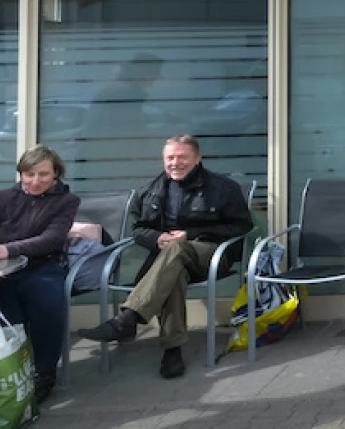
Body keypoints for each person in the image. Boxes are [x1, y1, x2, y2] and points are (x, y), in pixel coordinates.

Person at [78, 135, 252, 379]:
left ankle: (129, 317)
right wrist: (156, 239)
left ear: (197, 158)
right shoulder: (151, 190)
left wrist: (189, 234)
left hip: (210, 255)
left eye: (182, 157)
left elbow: (241, 226)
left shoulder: (223, 188)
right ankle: (172, 352)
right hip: (168, 261)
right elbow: (138, 229)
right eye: (170, 157)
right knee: (174, 273)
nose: (175, 163)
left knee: (176, 249)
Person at [0, 145, 80, 404]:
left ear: (56, 174)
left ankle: (45, 371)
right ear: (21, 173)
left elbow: (51, 239)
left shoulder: (67, 201)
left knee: (46, 299)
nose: (35, 181)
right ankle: (11, 362)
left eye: (43, 175)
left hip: (42, 265)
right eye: (29, 174)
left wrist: (6, 248)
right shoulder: (4, 198)